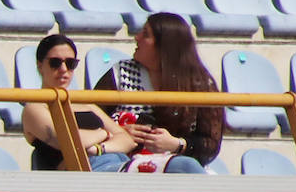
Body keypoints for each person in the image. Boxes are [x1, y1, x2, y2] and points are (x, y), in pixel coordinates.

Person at [93, 12, 224, 174]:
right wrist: (119, 132)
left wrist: (176, 144)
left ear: (165, 45)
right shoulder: (120, 73)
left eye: (146, 34)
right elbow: (91, 120)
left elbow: (210, 144)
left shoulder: (199, 83)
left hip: (175, 168)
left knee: (187, 168)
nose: (137, 38)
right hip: (123, 163)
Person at [23, 33, 135, 172]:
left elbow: (127, 141)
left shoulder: (87, 105)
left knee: (167, 166)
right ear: (40, 66)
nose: (63, 69)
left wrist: (97, 148)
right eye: (55, 63)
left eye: (70, 63)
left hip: (116, 162)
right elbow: (68, 142)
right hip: (85, 170)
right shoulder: (35, 107)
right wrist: (103, 134)